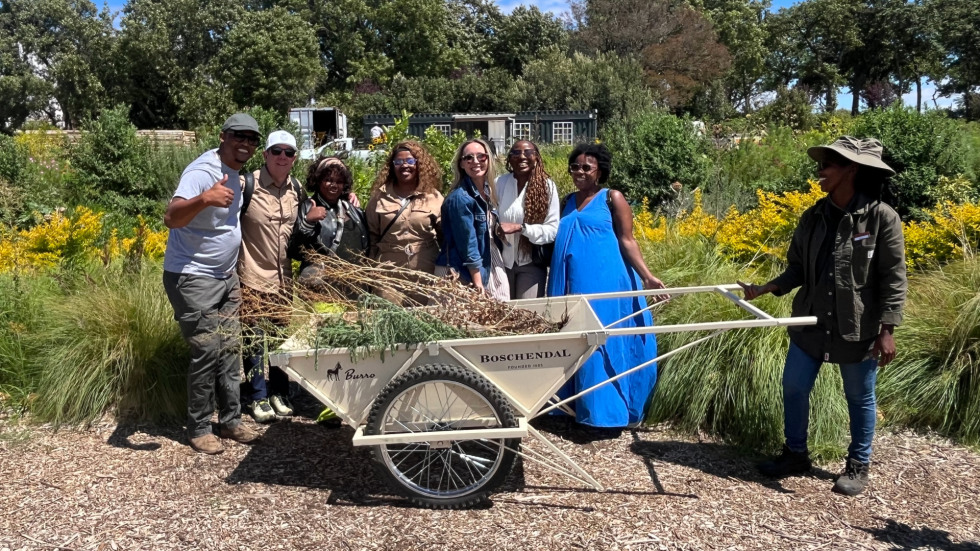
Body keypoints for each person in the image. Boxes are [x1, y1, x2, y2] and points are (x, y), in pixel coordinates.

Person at [738, 136, 907, 496]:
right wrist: (766, 288)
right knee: (795, 386)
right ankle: (795, 454)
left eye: (828, 165)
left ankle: (858, 464)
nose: (820, 172)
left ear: (852, 170)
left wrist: (887, 329)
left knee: (860, 398)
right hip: (810, 323)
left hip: (856, 326)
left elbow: (893, 277)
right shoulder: (814, 216)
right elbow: (797, 268)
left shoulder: (881, 218)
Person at [546, 143, 666, 430]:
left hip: (605, 279)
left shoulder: (612, 198)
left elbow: (627, 240)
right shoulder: (568, 201)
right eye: (575, 166)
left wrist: (647, 276)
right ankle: (575, 407)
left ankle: (606, 414)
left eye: (586, 167)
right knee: (575, 339)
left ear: (599, 170)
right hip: (572, 281)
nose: (579, 172)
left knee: (601, 340)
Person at [162, 113, 261, 454]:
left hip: (225, 276)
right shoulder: (202, 171)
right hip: (192, 277)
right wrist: (205, 198)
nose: (246, 143)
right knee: (206, 351)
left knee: (230, 349)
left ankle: (231, 421)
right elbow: (171, 217)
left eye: (252, 139)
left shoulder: (237, 174)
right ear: (223, 136)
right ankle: (200, 427)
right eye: (239, 136)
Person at [238, 130, 308, 424]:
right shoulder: (247, 185)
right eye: (276, 151)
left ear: (294, 158)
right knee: (253, 340)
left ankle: (279, 392)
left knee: (281, 340)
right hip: (252, 274)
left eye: (288, 153)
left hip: (283, 279)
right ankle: (257, 396)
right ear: (265, 154)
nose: (282, 157)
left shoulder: (297, 189)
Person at [365, 140, 444, 305]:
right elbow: (371, 239)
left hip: (425, 271)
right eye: (398, 162)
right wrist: (370, 274)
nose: (404, 166)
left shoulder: (434, 197)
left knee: (425, 322)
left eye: (410, 161)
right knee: (391, 321)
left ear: (419, 164)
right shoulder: (378, 198)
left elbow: (445, 238)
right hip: (388, 273)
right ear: (392, 166)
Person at [438, 139, 508, 299]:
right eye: (468, 158)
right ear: (461, 164)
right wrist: (478, 284)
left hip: (487, 262)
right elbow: (467, 244)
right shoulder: (460, 198)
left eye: (481, 157)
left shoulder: (488, 192)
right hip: (463, 271)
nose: (475, 162)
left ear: (489, 160)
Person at [291, 155, 370, 288]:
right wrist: (308, 222)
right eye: (328, 180)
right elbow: (294, 251)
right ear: (317, 180)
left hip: (355, 287)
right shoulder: (308, 207)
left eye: (339, 181)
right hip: (321, 289)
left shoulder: (353, 208)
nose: (334, 185)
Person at [494, 140, 560, 299]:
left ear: (536, 157)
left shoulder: (547, 187)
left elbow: (552, 230)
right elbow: (491, 214)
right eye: (516, 153)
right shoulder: (499, 183)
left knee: (527, 315)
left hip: (531, 263)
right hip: (501, 262)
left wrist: (521, 228)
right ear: (509, 159)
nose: (522, 157)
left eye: (528, 152)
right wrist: (496, 226)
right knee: (502, 315)